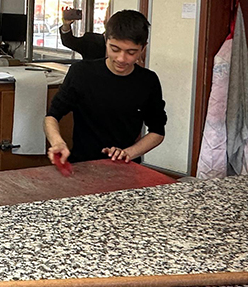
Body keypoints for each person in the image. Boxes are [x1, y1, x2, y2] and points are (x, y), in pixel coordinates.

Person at [44, 10, 167, 172]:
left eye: (131, 52)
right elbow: (52, 116)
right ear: (105, 40)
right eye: (115, 49)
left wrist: (127, 153)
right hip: (82, 165)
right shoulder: (81, 73)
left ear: (143, 48)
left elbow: (157, 131)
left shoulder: (148, 81)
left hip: (126, 168)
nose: (121, 58)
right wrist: (58, 143)